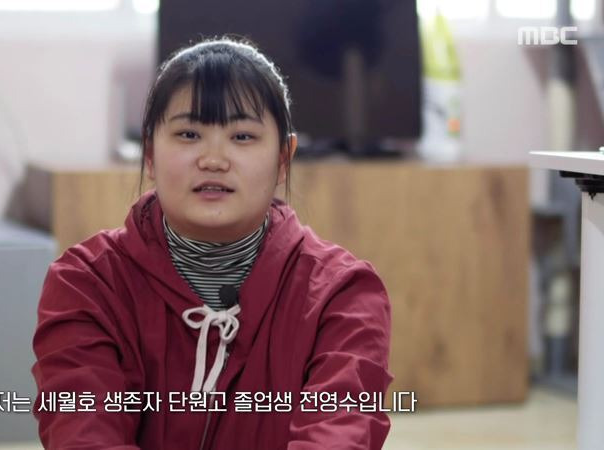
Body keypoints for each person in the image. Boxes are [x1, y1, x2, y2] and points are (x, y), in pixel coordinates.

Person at [31, 36, 393, 449]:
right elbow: (83, 431)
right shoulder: (86, 283)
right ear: (149, 154)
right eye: (189, 134)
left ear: (283, 159)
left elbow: (340, 432)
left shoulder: (342, 294)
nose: (214, 160)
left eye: (242, 137)